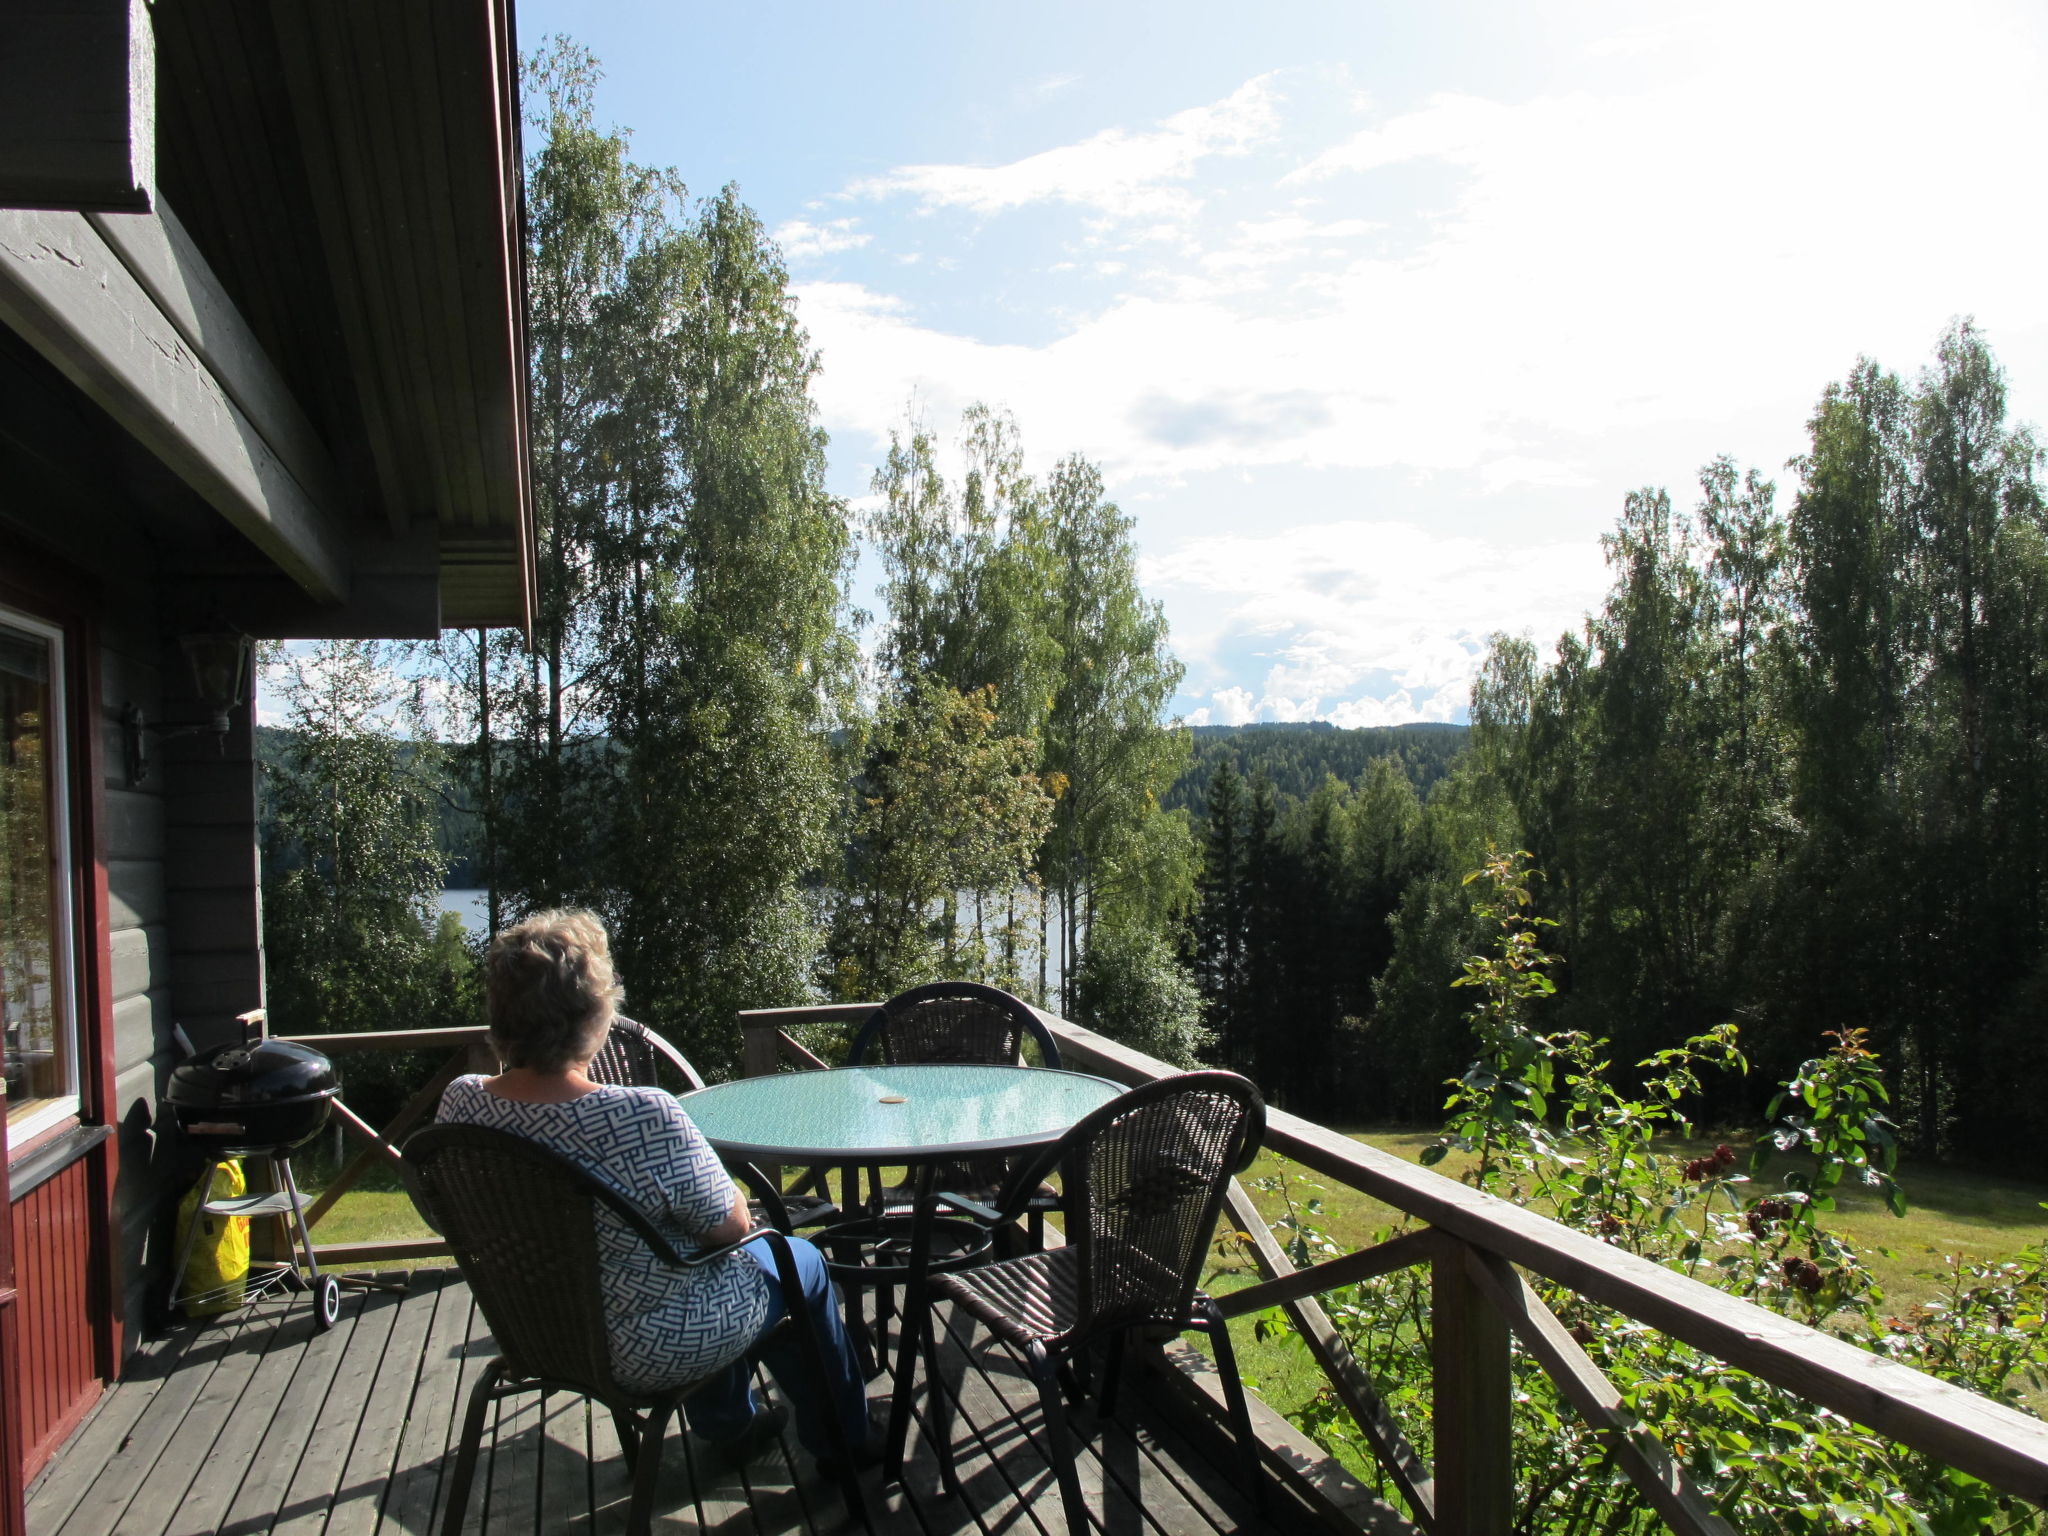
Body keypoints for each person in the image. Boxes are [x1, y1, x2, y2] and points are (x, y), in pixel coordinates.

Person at [436, 909, 874, 1470]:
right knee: (799, 1261)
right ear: (594, 1015)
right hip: (645, 1350)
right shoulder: (639, 1117)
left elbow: (447, 1213)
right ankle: (845, 1443)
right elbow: (732, 1227)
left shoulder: (463, 1103)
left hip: (537, 1332)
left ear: (500, 1015)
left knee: (703, 1260)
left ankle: (731, 1426)